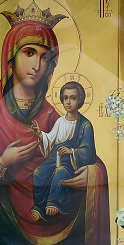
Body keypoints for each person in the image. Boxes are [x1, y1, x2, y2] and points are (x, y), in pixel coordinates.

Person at [0, 0, 110, 245]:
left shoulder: (52, 115)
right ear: (10, 56)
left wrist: (93, 175)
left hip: (53, 230)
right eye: (29, 53)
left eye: (45, 58)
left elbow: (84, 155)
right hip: (0, 237)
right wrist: (1, 163)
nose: (37, 65)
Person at [30, 81, 97, 222]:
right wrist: (40, 135)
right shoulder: (60, 121)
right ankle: (39, 206)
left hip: (72, 163)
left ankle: (55, 204)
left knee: (60, 173)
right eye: (65, 98)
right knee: (38, 173)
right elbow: (51, 139)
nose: (68, 102)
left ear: (80, 100)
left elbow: (88, 153)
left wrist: (71, 151)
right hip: (55, 157)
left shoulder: (85, 125)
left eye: (73, 98)